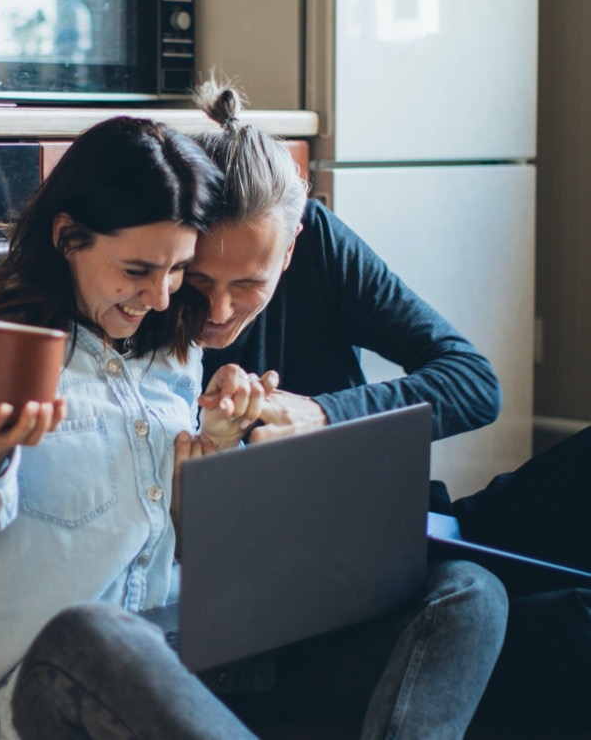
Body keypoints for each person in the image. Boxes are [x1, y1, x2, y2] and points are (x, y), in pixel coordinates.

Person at [187, 76, 591, 733]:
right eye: (199, 281)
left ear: (290, 248)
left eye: (248, 284)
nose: (219, 309)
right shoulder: (151, 292)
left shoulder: (318, 242)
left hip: (415, 528)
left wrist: (321, 414)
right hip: (325, 587)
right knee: (573, 622)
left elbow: (473, 382)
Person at [0, 116, 263, 739]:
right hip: (49, 690)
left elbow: (169, 542)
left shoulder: (173, 348)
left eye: (177, 270)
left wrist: (217, 459)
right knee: (92, 635)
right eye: (139, 269)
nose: (162, 297)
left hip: (181, 668)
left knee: (465, 594)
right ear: (68, 237)